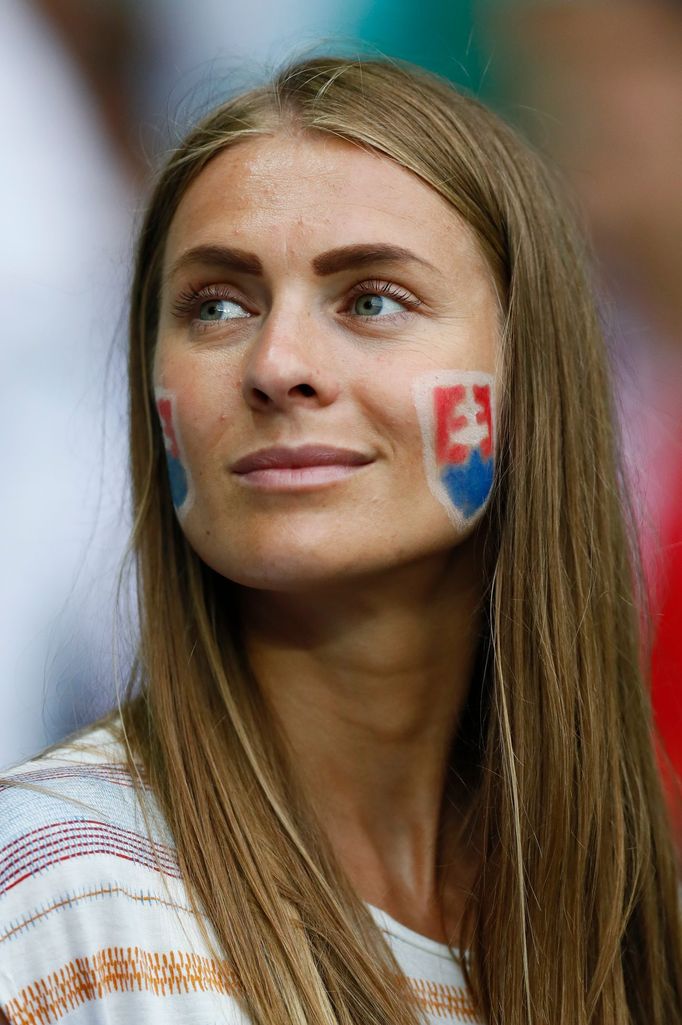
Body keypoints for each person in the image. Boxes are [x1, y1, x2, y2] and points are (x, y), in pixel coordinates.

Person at [0, 55, 680, 1025]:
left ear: (533, 378)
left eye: (371, 299)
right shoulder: (50, 892)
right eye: (217, 305)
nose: (278, 365)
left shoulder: (630, 915)